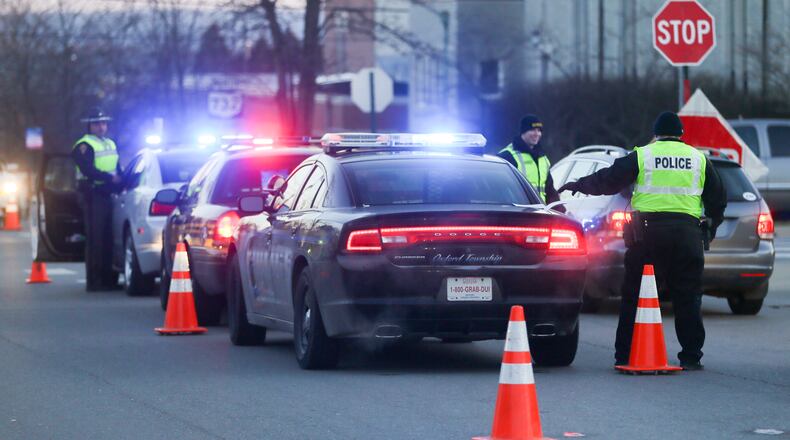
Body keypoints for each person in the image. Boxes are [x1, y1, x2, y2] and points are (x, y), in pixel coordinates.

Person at [558, 111, 727, 370]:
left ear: (656, 133)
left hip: (649, 234)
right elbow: (718, 198)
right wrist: (711, 227)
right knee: (689, 297)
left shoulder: (644, 154)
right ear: (681, 134)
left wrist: (579, 185)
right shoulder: (698, 158)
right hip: (687, 235)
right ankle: (691, 356)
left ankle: (624, 355)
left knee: (634, 295)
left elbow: (609, 180)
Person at [72, 108, 122, 291]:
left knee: (109, 237)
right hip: (92, 194)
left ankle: (109, 278)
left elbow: (117, 168)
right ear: (90, 126)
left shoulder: (110, 143)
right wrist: (110, 179)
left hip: (108, 194)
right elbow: (88, 171)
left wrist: (121, 182)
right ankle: (95, 280)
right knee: (96, 238)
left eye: (103, 123)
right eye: (97, 124)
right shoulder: (84, 145)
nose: (101, 127)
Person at [498, 114, 563, 210]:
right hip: (516, 212)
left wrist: (561, 211)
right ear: (523, 132)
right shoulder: (507, 156)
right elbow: (500, 189)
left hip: (540, 212)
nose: (537, 134)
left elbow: (550, 190)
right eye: (532, 130)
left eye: (539, 130)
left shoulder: (543, 158)